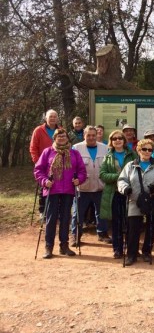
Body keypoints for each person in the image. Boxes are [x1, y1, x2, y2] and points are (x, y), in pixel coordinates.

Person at [33, 128, 87, 259]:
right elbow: (38, 170)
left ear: (68, 138)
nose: (61, 138)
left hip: (68, 190)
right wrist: (45, 181)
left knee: (65, 218)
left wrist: (78, 180)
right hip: (52, 190)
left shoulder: (74, 153)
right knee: (51, 219)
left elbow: (82, 171)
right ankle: (48, 247)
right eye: (59, 136)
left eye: (64, 136)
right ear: (55, 138)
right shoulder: (47, 152)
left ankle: (64, 246)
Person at [117, 139, 154, 266]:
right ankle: (132, 254)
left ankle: (147, 252)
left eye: (150, 150)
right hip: (134, 199)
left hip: (152, 199)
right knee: (133, 228)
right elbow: (122, 180)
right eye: (144, 149)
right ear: (138, 150)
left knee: (151, 227)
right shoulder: (130, 165)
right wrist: (125, 188)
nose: (147, 152)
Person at [99, 130, 138, 259]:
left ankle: (132, 249)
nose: (117, 140)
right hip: (114, 193)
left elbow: (138, 171)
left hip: (129, 193)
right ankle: (117, 249)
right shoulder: (108, 156)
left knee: (131, 223)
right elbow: (102, 174)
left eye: (120, 138)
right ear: (111, 141)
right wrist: (119, 177)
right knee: (117, 223)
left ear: (124, 140)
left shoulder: (132, 154)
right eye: (114, 138)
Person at [71, 125, 111, 245]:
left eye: (94, 135)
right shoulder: (76, 148)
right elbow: (72, 167)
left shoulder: (105, 148)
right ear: (84, 135)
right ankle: (75, 235)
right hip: (82, 188)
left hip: (100, 186)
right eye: (89, 135)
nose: (91, 137)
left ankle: (103, 233)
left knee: (101, 212)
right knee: (77, 213)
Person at [30, 109, 60, 215]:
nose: (52, 118)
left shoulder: (61, 130)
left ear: (57, 118)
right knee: (44, 186)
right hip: (43, 164)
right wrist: (37, 162)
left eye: (54, 116)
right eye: (50, 116)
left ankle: (56, 210)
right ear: (46, 118)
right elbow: (33, 148)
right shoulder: (38, 130)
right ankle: (43, 210)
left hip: (58, 164)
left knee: (57, 186)